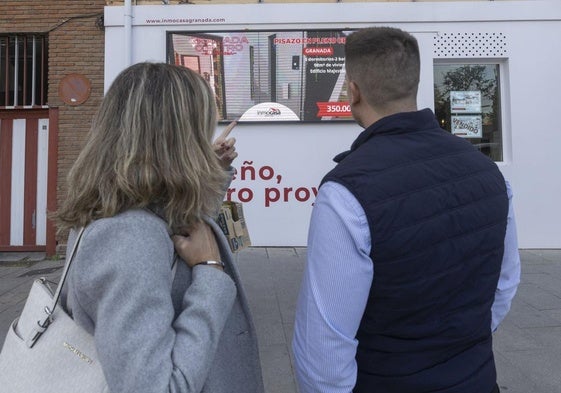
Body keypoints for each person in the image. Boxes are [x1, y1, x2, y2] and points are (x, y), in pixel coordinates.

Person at [292, 27, 520, 393]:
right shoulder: (488, 173)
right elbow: (505, 285)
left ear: (353, 90)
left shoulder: (346, 192)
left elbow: (323, 349)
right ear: (413, 84)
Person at [56, 62, 265, 393]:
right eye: (200, 130)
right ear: (179, 141)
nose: (205, 139)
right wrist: (211, 272)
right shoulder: (129, 237)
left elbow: (174, 226)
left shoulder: (126, 208)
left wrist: (213, 172)